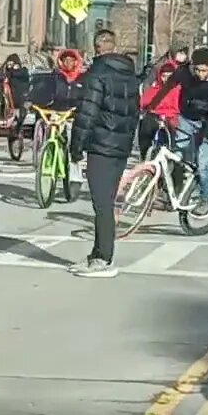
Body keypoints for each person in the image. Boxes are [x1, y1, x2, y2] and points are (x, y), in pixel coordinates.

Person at [67, 30, 139, 277]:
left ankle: (104, 258)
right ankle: (97, 254)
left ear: (97, 47)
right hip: (120, 145)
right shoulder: (130, 76)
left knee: (102, 203)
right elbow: (133, 113)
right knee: (105, 201)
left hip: (101, 144)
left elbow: (87, 114)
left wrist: (76, 147)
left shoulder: (96, 75)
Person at [145, 47, 208, 216]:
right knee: (177, 154)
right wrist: (152, 106)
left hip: (206, 122)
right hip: (186, 117)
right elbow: (167, 87)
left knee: (202, 163)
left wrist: (205, 134)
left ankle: (205, 197)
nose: (199, 74)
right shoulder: (184, 72)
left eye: (204, 71)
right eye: (197, 69)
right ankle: (172, 192)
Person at [137, 60, 179, 159]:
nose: (166, 79)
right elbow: (144, 102)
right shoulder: (155, 90)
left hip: (171, 117)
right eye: (164, 76)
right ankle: (145, 154)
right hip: (155, 116)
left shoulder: (178, 90)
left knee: (173, 130)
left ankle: (171, 151)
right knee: (146, 126)